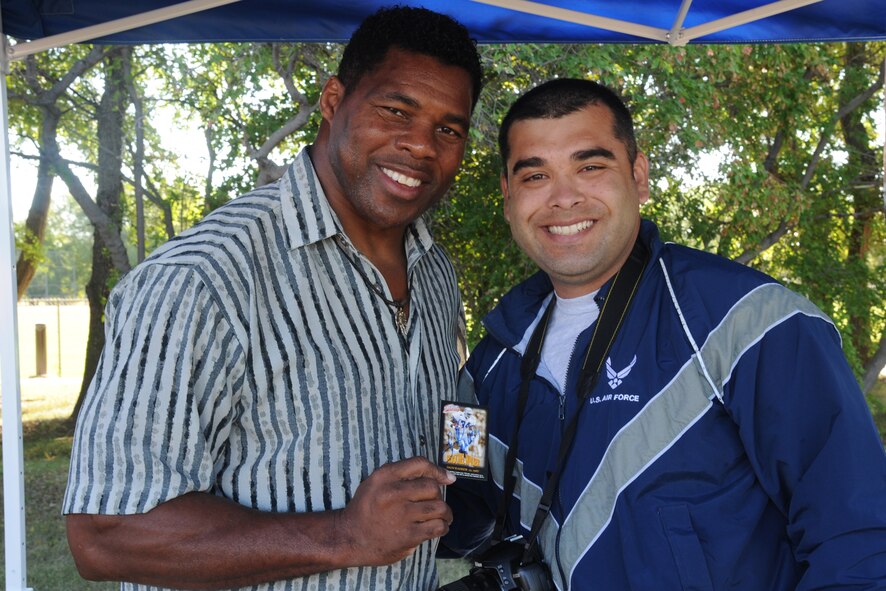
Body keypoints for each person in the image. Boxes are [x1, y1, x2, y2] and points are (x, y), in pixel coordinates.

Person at [63, 6, 482, 590]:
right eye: (396, 110)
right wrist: (344, 535)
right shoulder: (204, 277)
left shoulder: (435, 274)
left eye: (448, 129)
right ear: (333, 101)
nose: (420, 145)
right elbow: (105, 534)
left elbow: (446, 444)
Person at [441, 78, 886, 590]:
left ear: (639, 175)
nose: (563, 198)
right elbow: (462, 502)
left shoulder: (754, 323)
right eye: (535, 175)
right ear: (507, 195)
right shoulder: (488, 361)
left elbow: (860, 539)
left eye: (590, 166)